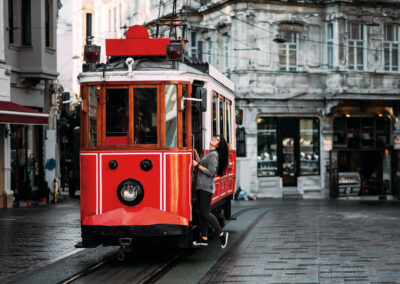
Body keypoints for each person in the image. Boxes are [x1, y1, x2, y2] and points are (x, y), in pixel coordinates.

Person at [192, 135, 229, 248]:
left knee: (205, 213)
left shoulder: (213, 155)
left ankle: (222, 235)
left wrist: (197, 165)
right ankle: (203, 238)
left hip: (206, 187)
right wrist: (197, 156)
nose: (214, 139)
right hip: (202, 186)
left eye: (217, 139)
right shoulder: (209, 153)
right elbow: (203, 164)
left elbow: (211, 172)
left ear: (218, 145)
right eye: (214, 137)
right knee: (202, 213)